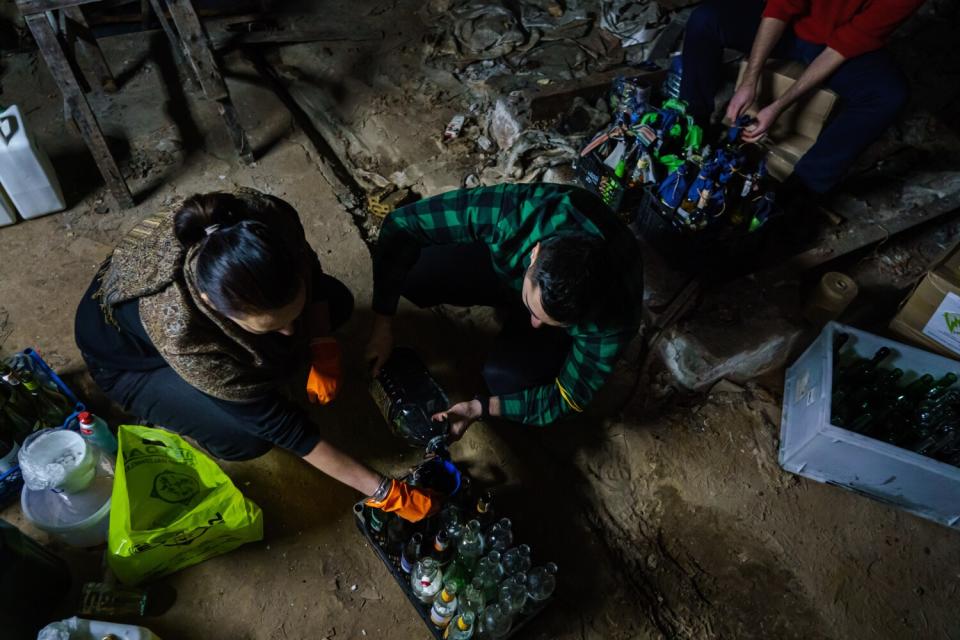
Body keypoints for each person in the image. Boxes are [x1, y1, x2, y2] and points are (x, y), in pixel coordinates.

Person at [75, 188, 433, 521]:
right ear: (211, 304)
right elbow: (283, 427)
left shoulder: (267, 219)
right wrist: (384, 491)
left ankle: (275, 336)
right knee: (246, 437)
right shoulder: (177, 326)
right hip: (132, 366)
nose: (291, 332)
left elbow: (316, 280)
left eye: (291, 314)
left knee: (335, 302)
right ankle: (182, 409)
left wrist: (322, 344)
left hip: (222, 317)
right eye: (270, 326)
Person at [365, 183, 644, 440]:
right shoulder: (513, 214)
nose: (535, 323)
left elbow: (564, 399)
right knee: (415, 275)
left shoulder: (613, 319)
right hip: (506, 266)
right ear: (535, 253)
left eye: (551, 321)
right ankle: (528, 304)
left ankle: (540, 323)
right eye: (533, 309)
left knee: (507, 381)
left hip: (535, 284)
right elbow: (401, 225)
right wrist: (382, 322)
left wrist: (478, 408)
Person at [680, 0, 923, 194]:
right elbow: (782, 6)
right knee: (706, 19)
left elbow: (843, 46)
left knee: (889, 95)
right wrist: (749, 81)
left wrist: (779, 106)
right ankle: (692, 124)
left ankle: (802, 187)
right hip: (790, 27)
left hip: (834, 45)